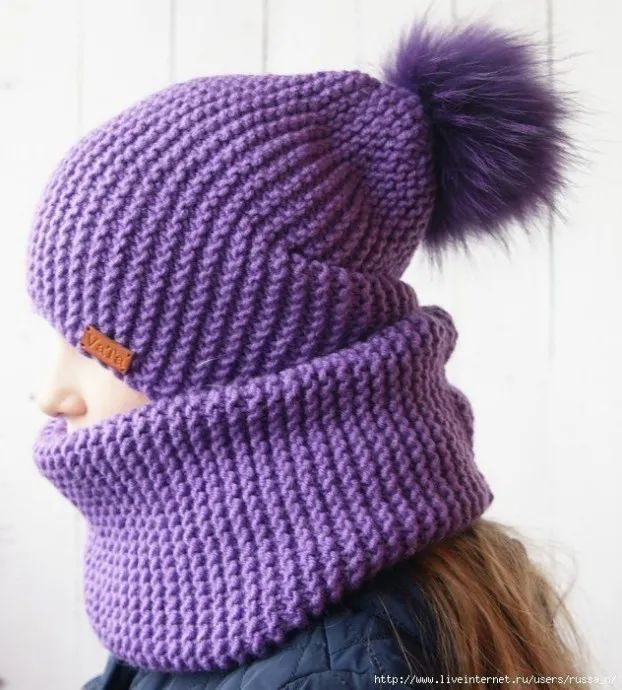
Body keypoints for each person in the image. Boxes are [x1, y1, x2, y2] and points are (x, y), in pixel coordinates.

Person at [26, 17, 588, 690]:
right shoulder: (215, 586)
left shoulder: (344, 665)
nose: (52, 394)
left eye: (94, 349)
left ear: (252, 357)